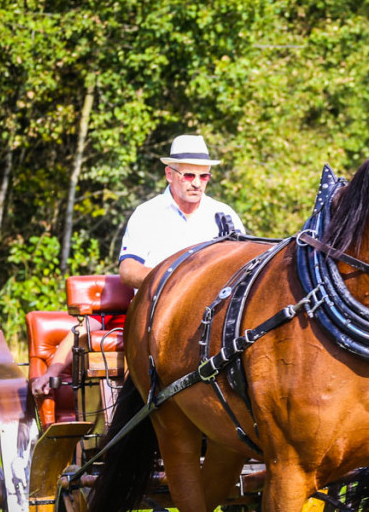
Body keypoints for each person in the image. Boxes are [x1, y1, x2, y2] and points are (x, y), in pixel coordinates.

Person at [30, 134, 244, 400]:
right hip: (156, 310)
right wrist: (174, 282)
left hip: (215, 314)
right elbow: (128, 269)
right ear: (170, 174)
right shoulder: (148, 214)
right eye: (189, 176)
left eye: (204, 177)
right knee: (93, 328)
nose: (197, 184)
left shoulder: (224, 215)